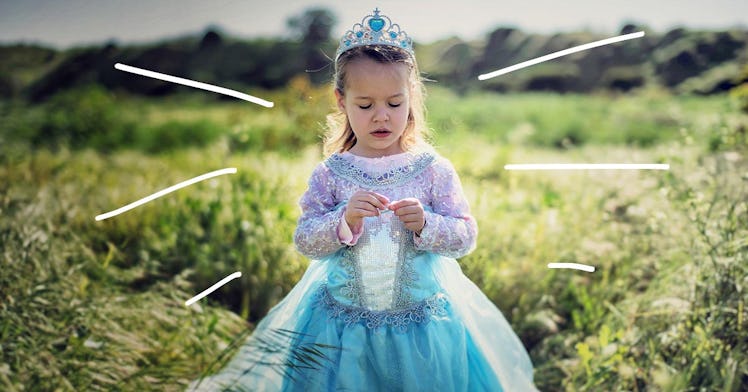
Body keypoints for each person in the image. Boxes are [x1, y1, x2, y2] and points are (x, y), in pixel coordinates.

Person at [189, 8, 537, 391]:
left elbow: (465, 237)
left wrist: (426, 224)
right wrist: (344, 220)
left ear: (412, 98)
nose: (381, 117)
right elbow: (305, 239)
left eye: (394, 102)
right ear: (341, 101)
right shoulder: (332, 173)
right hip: (341, 333)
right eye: (366, 105)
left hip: (420, 329)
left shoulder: (433, 169)